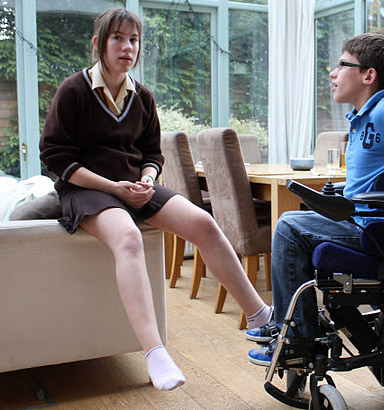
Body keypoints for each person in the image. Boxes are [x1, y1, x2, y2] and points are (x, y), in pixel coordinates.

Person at [39, 7, 272, 391]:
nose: (127, 47)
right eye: (118, 38)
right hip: (86, 190)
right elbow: (57, 157)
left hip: (133, 186)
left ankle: (261, 318)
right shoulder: (73, 90)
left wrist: (147, 179)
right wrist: (113, 188)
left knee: (204, 223)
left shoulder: (142, 97)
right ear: (99, 44)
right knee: (128, 237)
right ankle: (154, 352)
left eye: (134, 40)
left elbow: (152, 154)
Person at [247, 33, 384, 365]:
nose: (333, 73)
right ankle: (291, 325)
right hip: (359, 220)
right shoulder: (364, 118)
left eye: (341, 64)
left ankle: (296, 340)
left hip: (380, 229)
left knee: (289, 227)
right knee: (292, 222)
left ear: (368, 75)